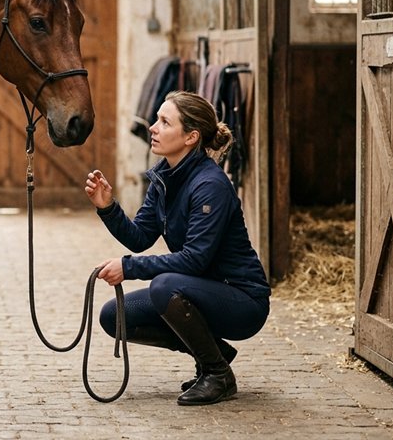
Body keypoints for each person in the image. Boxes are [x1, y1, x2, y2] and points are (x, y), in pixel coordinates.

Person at [83, 90, 270, 406]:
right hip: (199, 289)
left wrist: (128, 268)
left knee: (164, 287)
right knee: (113, 315)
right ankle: (215, 353)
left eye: (164, 122)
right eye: (157, 120)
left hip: (242, 300)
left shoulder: (210, 185)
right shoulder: (164, 178)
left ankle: (217, 375)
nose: (153, 128)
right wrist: (108, 208)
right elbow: (140, 236)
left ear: (190, 137)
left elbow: (195, 259)